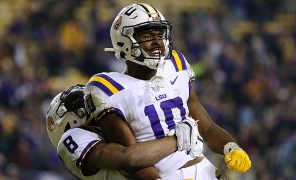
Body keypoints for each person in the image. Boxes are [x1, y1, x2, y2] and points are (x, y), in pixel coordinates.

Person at [84, 3, 251, 179]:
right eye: (147, 35)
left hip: (205, 170)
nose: (157, 42)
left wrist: (231, 147)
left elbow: (206, 128)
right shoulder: (109, 88)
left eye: (160, 34)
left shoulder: (176, 64)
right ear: (124, 40)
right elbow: (131, 161)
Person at [46, 84, 202, 180]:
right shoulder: (71, 138)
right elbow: (127, 158)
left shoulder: (114, 124)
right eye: (77, 100)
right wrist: (178, 139)